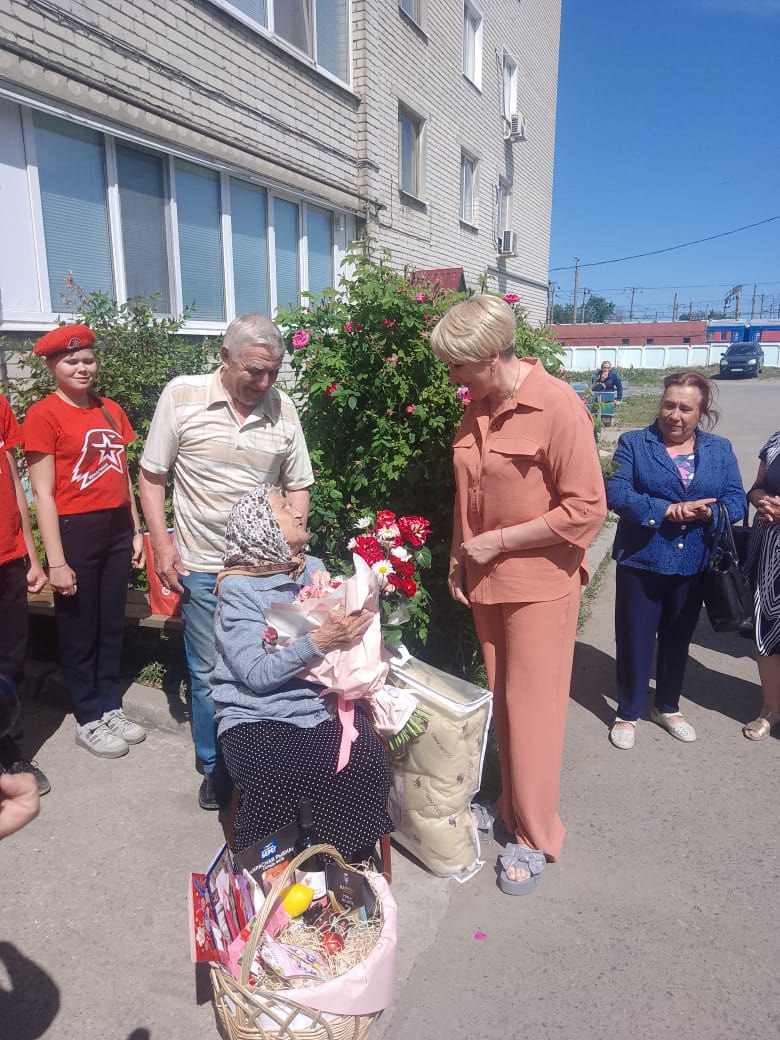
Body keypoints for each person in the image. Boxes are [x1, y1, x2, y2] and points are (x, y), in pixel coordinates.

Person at [430, 295, 607, 895]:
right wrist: (461, 555)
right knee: (505, 702)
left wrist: (497, 542)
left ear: (489, 355)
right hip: (488, 583)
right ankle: (509, 806)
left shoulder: (557, 406)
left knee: (534, 710)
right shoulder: (476, 409)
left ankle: (535, 835)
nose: (452, 378)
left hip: (539, 588)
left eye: (458, 366)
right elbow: (466, 491)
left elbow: (586, 509)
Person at [138, 314, 314, 811]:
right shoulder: (182, 396)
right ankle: (216, 768)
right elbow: (152, 476)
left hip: (267, 574)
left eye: (273, 372)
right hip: (203, 567)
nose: (264, 383)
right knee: (211, 670)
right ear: (225, 357)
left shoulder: (284, 408)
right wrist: (162, 546)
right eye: (254, 371)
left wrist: (292, 552)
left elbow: (298, 482)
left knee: (273, 665)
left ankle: (264, 763)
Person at [211, 485, 392, 860]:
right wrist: (322, 639)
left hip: (316, 700)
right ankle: (274, 870)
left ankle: (345, 862)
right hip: (256, 711)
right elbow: (257, 674)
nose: (297, 511)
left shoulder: (312, 568)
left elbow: (333, 641)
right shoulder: (238, 588)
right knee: (277, 777)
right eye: (283, 507)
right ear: (262, 527)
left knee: (366, 763)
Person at [22, 325, 147, 759]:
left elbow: (123, 474)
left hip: (115, 527)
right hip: (75, 529)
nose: (82, 367)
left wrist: (134, 529)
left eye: (88, 360)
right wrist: (56, 561)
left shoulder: (110, 409)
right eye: (71, 361)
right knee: (79, 628)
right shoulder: (43, 415)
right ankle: (87, 716)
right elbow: (42, 494)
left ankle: (110, 704)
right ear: (53, 366)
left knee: (110, 624)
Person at [607, 371, 745, 750]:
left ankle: (667, 706)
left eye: (686, 408)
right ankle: (629, 710)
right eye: (669, 404)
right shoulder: (634, 443)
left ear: (701, 413)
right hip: (642, 560)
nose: (675, 415)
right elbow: (616, 492)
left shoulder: (720, 449)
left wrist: (707, 514)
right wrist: (666, 510)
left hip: (695, 562)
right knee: (635, 638)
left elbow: (735, 500)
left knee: (677, 638)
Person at [0, 394, 49, 793]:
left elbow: (14, 480)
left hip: (8, 558)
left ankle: (9, 748)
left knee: (10, 661)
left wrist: (32, 556)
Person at [743, 432, 780, 740]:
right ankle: (770, 709)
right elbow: (755, 489)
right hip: (771, 552)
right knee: (766, 628)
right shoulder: (775, 441)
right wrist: (761, 500)